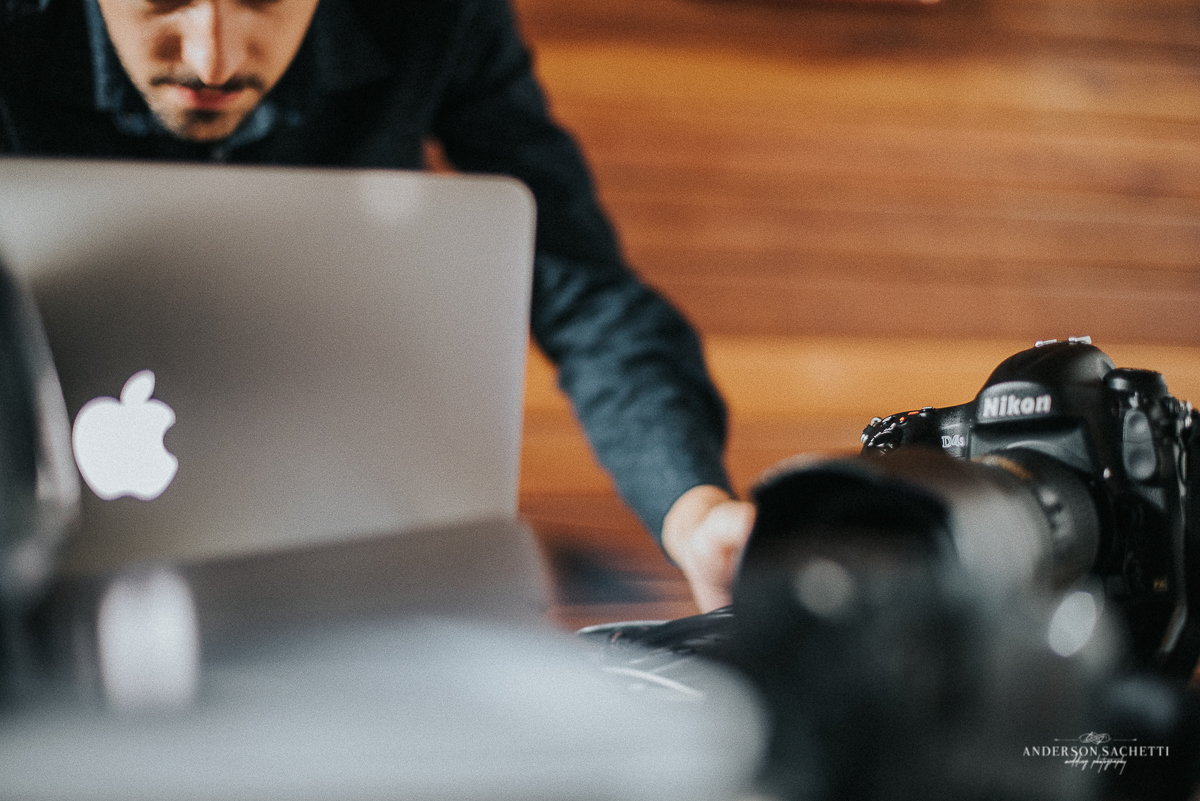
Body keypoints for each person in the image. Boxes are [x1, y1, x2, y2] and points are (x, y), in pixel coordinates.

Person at [0, 0, 754, 611]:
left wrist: (692, 509)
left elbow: (583, 290)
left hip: (338, 580)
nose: (213, 58)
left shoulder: (438, 15)